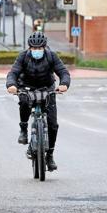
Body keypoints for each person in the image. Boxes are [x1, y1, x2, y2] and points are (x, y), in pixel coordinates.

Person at [6, 31, 70, 171]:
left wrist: (64, 83)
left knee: (53, 125)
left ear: (45, 47)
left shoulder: (51, 56)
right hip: (27, 88)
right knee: (23, 101)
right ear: (29, 48)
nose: (37, 51)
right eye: (34, 48)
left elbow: (63, 72)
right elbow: (13, 73)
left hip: (47, 89)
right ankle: (23, 129)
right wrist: (11, 85)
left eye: (39, 48)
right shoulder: (23, 57)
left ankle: (50, 155)